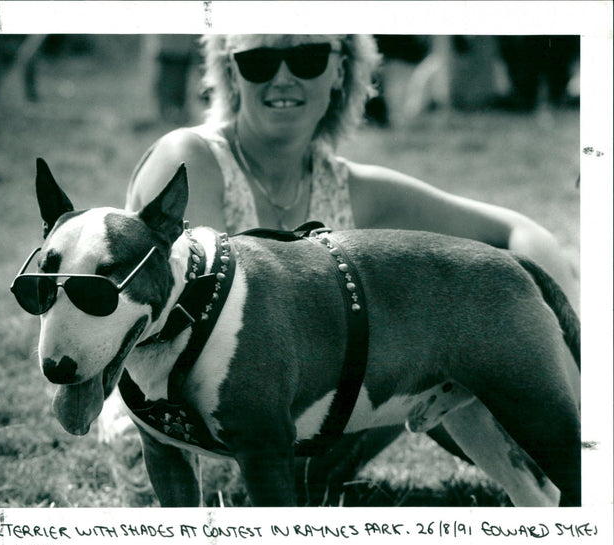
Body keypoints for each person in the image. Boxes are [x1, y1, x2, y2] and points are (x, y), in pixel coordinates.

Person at [117, 34, 579, 505]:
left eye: (308, 58)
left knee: (453, 328)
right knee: (400, 340)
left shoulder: (350, 184)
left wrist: (567, 329)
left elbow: (515, 231)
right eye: (257, 60)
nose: (282, 77)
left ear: (342, 70)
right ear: (229, 70)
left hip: (306, 413)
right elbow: (202, 348)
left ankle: (547, 489)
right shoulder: (188, 158)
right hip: (185, 426)